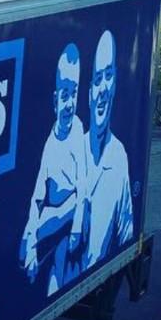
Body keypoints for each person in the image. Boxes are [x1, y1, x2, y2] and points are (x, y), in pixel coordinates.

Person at [23, 43, 91, 293]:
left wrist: (76, 229)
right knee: (25, 246)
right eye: (64, 95)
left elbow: (82, 187)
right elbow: (37, 195)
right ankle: (33, 252)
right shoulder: (50, 143)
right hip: (53, 216)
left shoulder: (77, 131)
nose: (69, 103)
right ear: (55, 101)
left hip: (69, 219)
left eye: (74, 94)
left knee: (58, 280)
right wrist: (30, 236)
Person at [78, 30, 136, 271]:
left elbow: (126, 232)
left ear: (115, 85)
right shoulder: (72, 153)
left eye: (109, 75)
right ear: (89, 93)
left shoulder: (118, 157)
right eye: (97, 78)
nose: (102, 88)